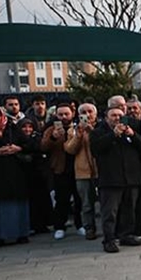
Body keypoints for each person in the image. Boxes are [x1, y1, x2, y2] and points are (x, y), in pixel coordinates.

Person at [90, 105, 141, 253]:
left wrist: (133, 135)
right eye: (113, 115)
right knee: (110, 212)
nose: (117, 118)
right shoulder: (98, 132)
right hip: (110, 179)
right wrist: (113, 135)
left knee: (129, 209)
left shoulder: (131, 129)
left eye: (120, 115)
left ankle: (126, 235)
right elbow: (96, 149)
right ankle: (109, 239)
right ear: (107, 118)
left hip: (131, 178)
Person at [0, 106, 32, 245]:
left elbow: (30, 144)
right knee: (1, 206)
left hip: (16, 171)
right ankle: (2, 235)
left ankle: (22, 233)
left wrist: (18, 148)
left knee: (19, 203)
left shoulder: (13, 129)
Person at [41, 102, 82, 240]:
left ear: (72, 114)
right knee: (61, 200)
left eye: (66, 114)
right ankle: (60, 226)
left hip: (78, 168)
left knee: (79, 199)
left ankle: (80, 224)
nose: (64, 117)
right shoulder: (50, 129)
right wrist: (53, 137)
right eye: (61, 114)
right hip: (60, 169)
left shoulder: (78, 128)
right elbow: (43, 147)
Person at [65, 103, 100, 240]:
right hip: (82, 172)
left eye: (90, 111)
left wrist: (92, 132)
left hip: (100, 170)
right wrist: (78, 136)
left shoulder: (101, 128)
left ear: (95, 114)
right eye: (83, 112)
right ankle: (89, 228)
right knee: (86, 204)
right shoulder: (73, 130)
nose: (87, 114)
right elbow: (70, 149)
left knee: (106, 203)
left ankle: (109, 228)